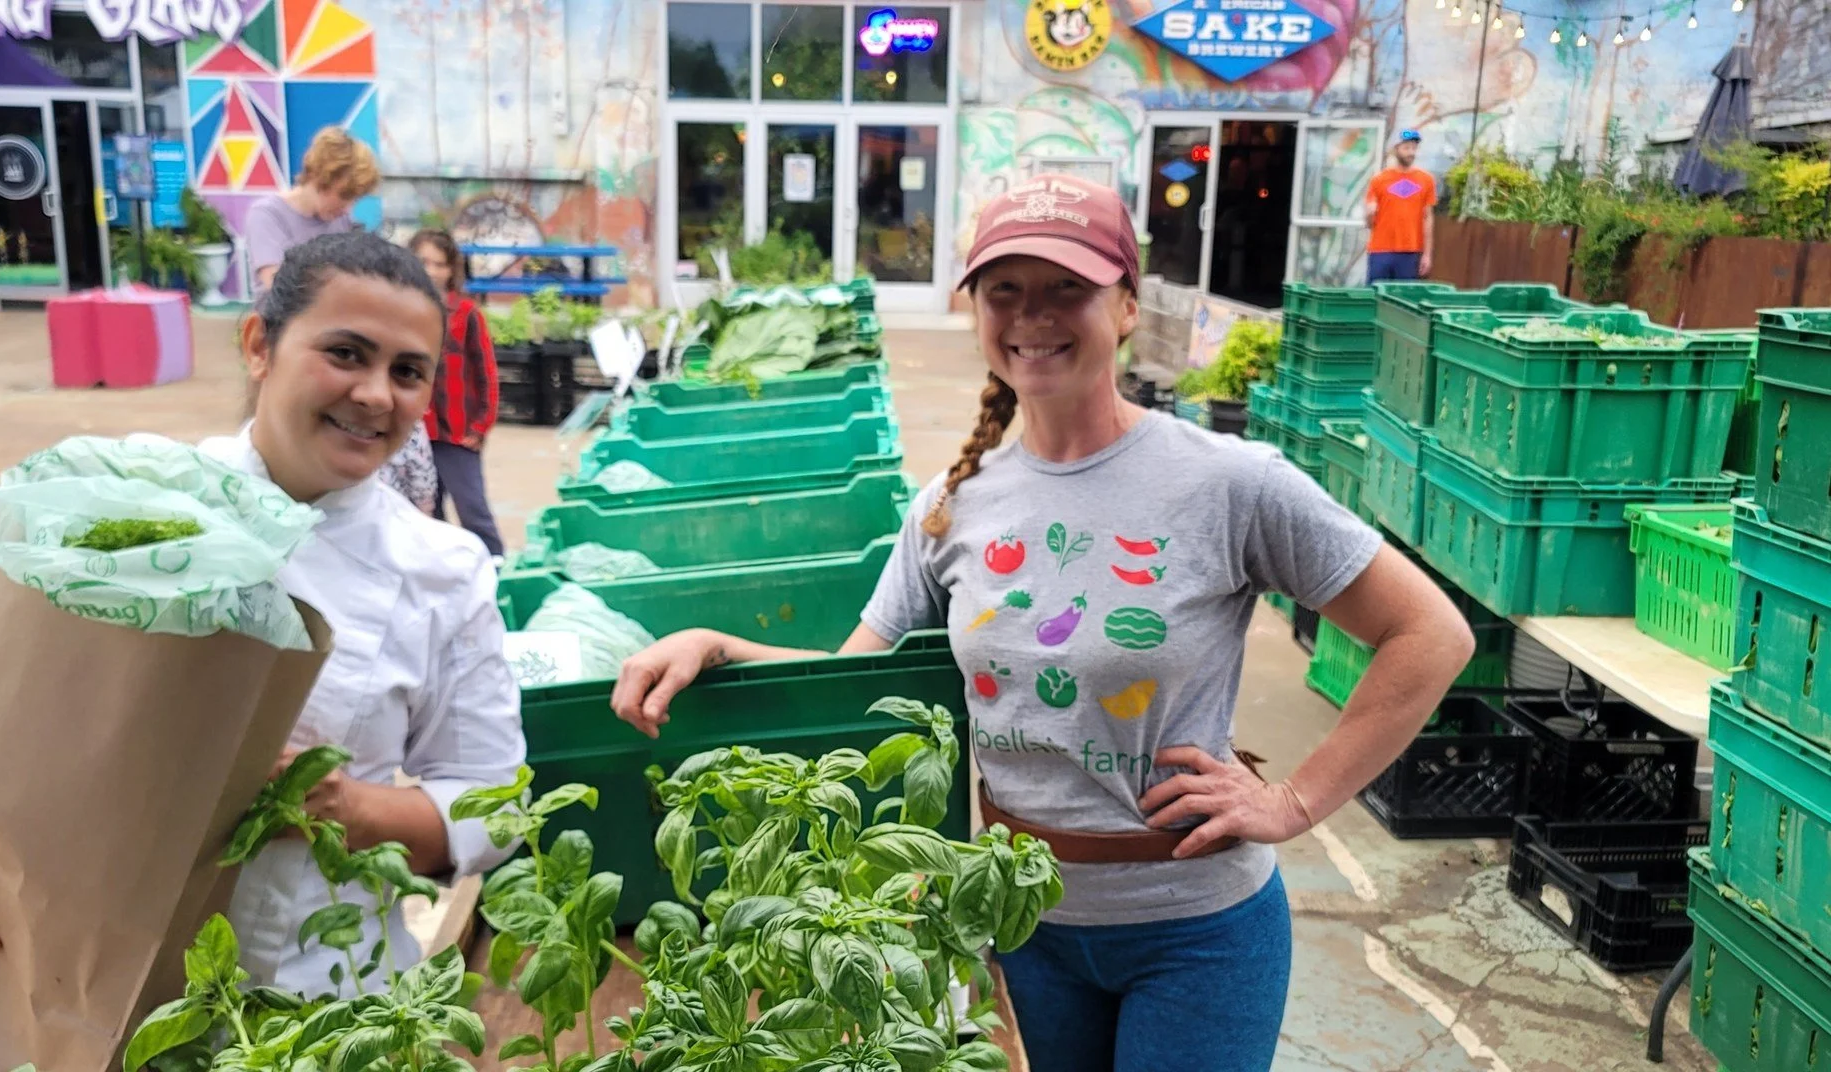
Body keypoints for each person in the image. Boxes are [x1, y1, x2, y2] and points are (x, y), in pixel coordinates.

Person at [609, 175, 1477, 1072]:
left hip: (1196, 932)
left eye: (1069, 287)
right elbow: (854, 686)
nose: (1035, 315)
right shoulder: (950, 507)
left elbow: (1429, 635)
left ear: (1128, 306)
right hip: (1021, 927)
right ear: (977, 311)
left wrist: (1292, 801)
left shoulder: (1229, 483)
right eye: (1005, 290)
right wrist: (714, 645)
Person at [0, 232, 525, 997]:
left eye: (408, 372)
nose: (376, 394)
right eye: (346, 353)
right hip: (75, 980)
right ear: (259, 344)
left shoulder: (442, 572)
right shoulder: (127, 492)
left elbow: (493, 805)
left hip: (327, 1004)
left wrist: (346, 807)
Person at [406, 227, 504, 559]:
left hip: (458, 434)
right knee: (426, 516)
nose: (431, 271)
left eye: (439, 263)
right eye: (423, 262)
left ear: (451, 269)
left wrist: (481, 426)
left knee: (473, 509)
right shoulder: (403, 312)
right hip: (415, 434)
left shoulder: (466, 314)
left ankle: (496, 570)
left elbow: (486, 373)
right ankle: (445, 575)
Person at [244, 127, 381, 292]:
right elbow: (279, 289)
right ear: (319, 177)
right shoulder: (268, 215)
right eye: (344, 196)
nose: (348, 209)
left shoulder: (343, 222)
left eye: (355, 199)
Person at [1364, 129, 1438, 282]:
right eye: (1406, 148)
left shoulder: (1426, 180)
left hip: (1411, 251)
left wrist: (1427, 254)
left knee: (1404, 300)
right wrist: (1369, 214)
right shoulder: (1378, 180)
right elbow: (1369, 223)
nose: (1411, 152)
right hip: (1380, 250)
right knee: (1376, 297)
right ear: (1395, 149)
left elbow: (1428, 218)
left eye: (1413, 148)